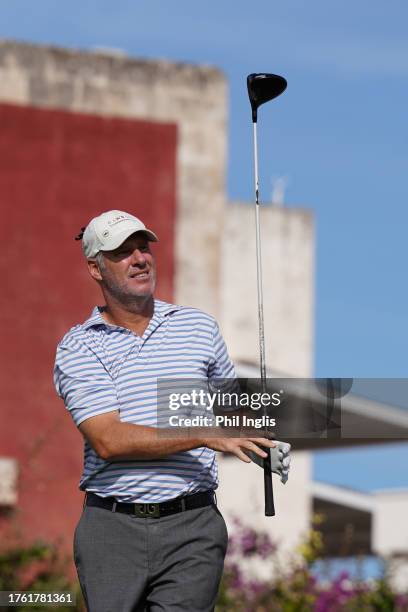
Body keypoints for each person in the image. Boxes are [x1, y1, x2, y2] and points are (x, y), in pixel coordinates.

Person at [54, 210, 279, 612]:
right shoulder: (79, 346)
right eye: (123, 252)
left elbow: (231, 415)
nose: (140, 258)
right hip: (112, 528)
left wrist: (268, 433)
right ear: (96, 268)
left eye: (144, 247)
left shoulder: (199, 328)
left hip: (193, 526)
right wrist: (204, 434)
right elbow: (109, 440)